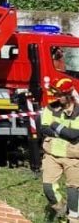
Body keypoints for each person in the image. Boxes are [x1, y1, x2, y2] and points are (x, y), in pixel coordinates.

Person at [40, 78, 79, 220]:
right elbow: (43, 128)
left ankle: (73, 219)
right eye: (56, 94)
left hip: (73, 157)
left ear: (69, 94)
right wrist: (63, 132)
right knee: (48, 187)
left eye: (60, 94)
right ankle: (62, 212)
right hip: (51, 154)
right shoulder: (50, 108)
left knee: (73, 190)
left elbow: (74, 135)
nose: (58, 97)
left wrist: (54, 124)